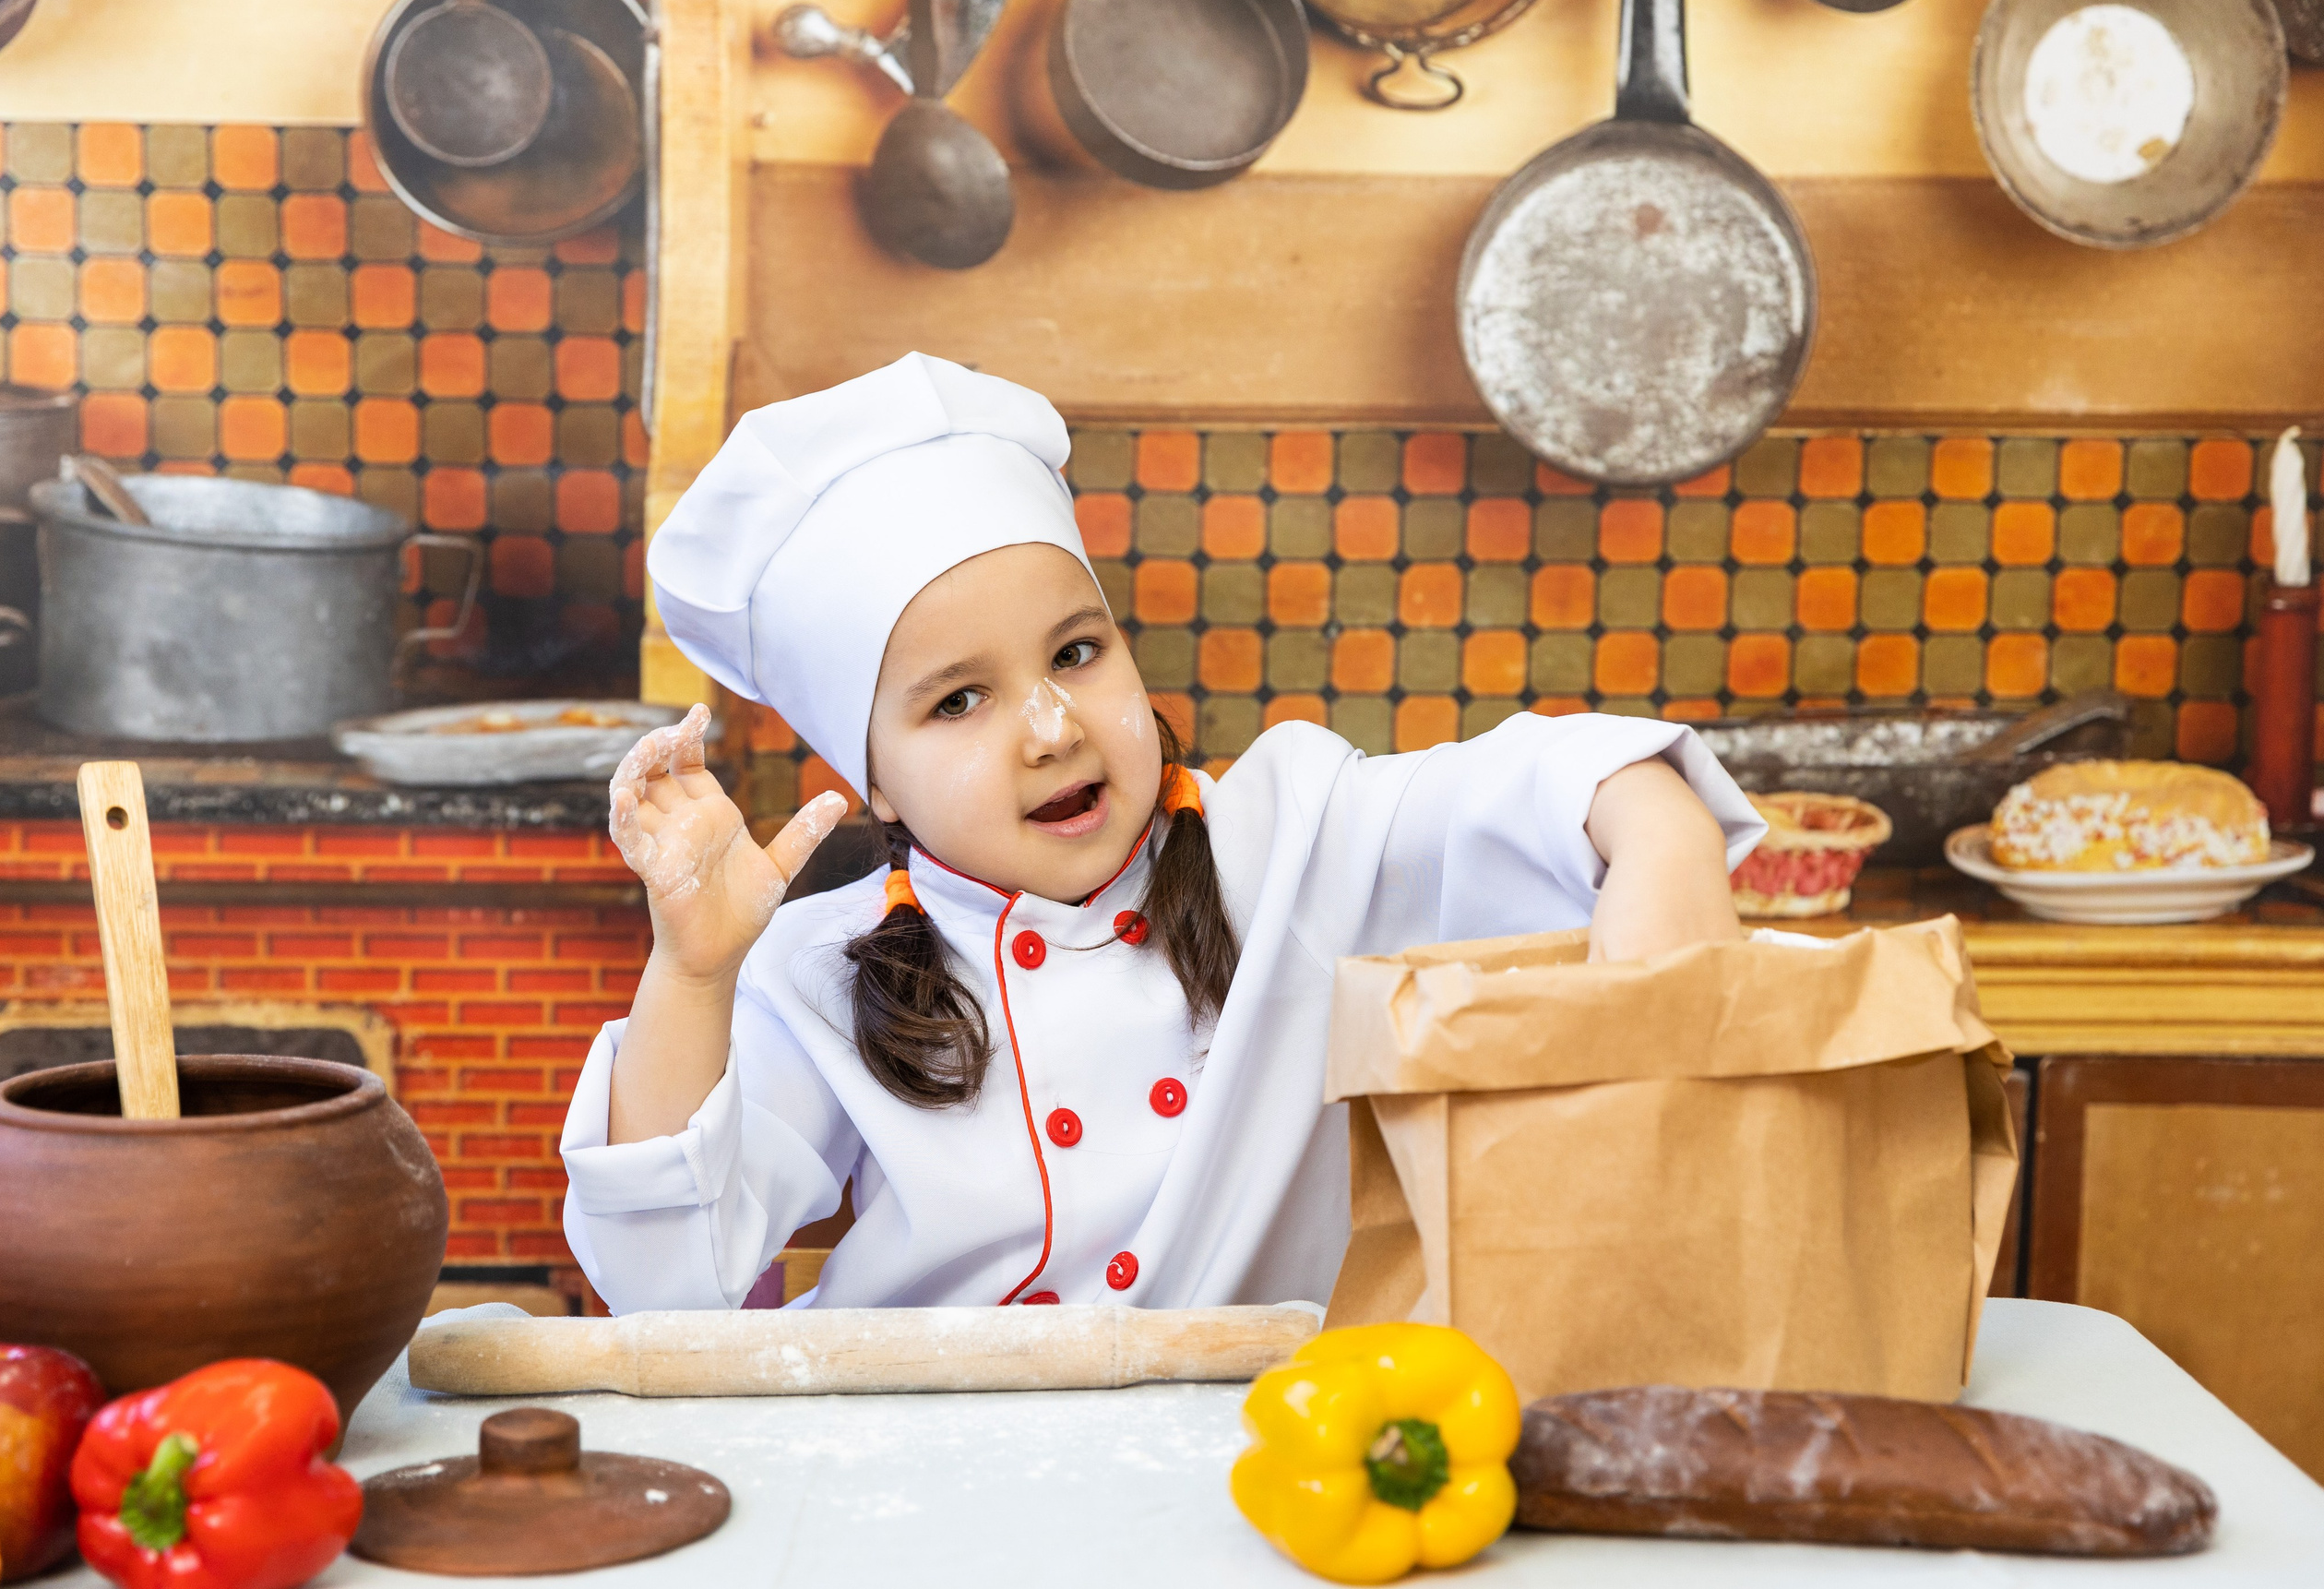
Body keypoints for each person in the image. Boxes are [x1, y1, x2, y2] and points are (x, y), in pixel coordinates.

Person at [561, 352, 1764, 1314]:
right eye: (958, 699)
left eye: (1077, 652)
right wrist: (696, 971)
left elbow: (1530, 781)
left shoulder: (1291, 834)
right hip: (936, 1480)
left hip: (1258, 1464)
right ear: (871, 777)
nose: (1049, 728)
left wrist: (1661, 837)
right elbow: (669, 1284)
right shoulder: (813, 973)